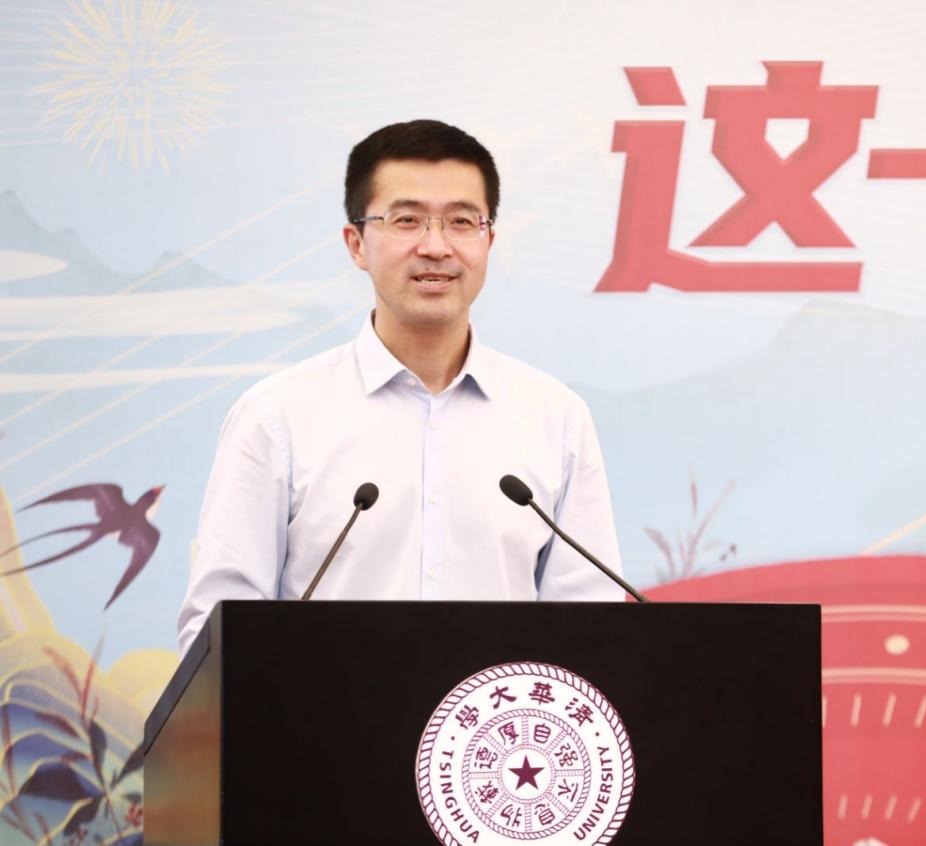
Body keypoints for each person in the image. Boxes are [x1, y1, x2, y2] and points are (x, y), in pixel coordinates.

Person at [177, 120, 623, 654]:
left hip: (497, 710)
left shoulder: (556, 418)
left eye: (462, 221)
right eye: (406, 220)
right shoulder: (277, 418)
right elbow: (216, 635)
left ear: (489, 241)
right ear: (356, 244)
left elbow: (593, 629)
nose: (435, 247)